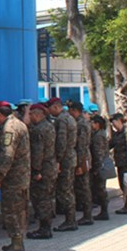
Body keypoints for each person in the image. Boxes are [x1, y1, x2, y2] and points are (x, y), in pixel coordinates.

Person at [0, 102, 30, 251]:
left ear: (0, 114)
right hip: (20, 177)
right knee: (19, 210)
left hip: (14, 178)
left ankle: (17, 245)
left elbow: (7, 154)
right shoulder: (19, 124)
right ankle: (16, 242)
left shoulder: (9, 128)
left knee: (12, 211)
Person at [27, 103, 57, 239]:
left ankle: (44, 229)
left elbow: (38, 152)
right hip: (50, 166)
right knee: (47, 197)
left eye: (31, 114)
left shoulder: (39, 129)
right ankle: (46, 226)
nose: (29, 117)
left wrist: (36, 170)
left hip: (43, 168)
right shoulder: (49, 126)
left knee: (42, 199)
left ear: (37, 115)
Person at [48, 97, 78, 231]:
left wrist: (58, 160)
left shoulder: (61, 119)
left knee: (64, 190)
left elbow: (61, 142)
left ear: (55, 107)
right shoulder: (70, 118)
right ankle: (71, 219)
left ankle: (70, 220)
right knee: (69, 189)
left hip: (65, 159)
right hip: (71, 157)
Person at [67, 101, 93, 225]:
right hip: (82, 157)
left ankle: (87, 215)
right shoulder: (82, 122)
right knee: (82, 187)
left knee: (84, 187)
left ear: (75, 110)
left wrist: (79, 164)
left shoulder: (82, 124)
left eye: (70, 111)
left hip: (82, 158)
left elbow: (81, 145)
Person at [109, 112, 127, 214]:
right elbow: (111, 144)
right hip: (119, 162)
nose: (113, 125)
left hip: (126, 162)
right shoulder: (117, 134)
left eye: (114, 122)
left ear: (119, 121)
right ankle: (126, 204)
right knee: (122, 184)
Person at [89, 114, 110, 220]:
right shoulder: (101, 134)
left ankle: (104, 211)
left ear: (97, 124)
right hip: (102, 164)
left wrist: (97, 168)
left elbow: (98, 153)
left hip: (100, 166)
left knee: (100, 188)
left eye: (93, 123)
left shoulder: (98, 136)